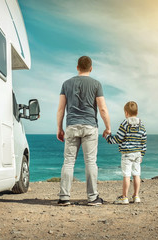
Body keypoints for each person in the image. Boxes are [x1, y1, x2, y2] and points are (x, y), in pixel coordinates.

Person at [56, 56, 111, 206]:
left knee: (68, 162)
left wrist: (59, 128)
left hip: (72, 126)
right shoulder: (96, 84)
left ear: (77, 67)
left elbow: (61, 109)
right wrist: (108, 127)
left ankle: (64, 197)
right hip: (90, 127)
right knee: (91, 162)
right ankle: (93, 198)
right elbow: (103, 108)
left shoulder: (66, 84)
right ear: (91, 68)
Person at [105, 101, 147, 204]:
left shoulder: (125, 124)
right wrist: (142, 154)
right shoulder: (141, 125)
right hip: (137, 154)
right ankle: (136, 196)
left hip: (127, 154)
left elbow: (119, 138)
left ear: (126, 113)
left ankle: (124, 197)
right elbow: (143, 140)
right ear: (136, 112)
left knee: (127, 175)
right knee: (137, 175)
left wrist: (108, 137)